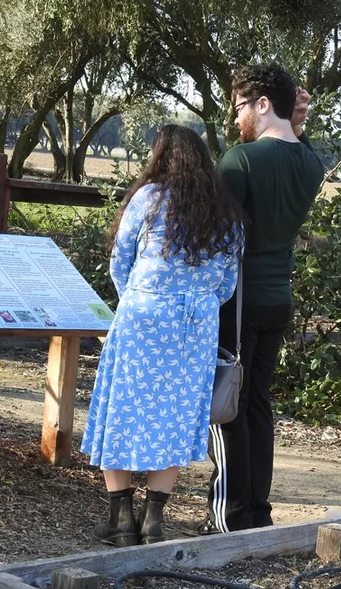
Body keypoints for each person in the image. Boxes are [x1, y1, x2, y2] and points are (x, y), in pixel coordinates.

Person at [81, 124, 244, 547]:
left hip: (143, 316)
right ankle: (153, 522)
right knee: (175, 417)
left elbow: (121, 262)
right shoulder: (226, 213)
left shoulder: (148, 200)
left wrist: (140, 297)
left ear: (160, 157)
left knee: (122, 411)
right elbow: (227, 285)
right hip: (196, 326)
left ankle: (120, 522)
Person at [188, 64, 325, 536]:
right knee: (258, 403)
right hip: (277, 299)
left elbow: (213, 235)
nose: (235, 118)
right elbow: (296, 143)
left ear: (263, 104)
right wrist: (298, 124)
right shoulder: (311, 163)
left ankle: (228, 516)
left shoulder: (239, 162)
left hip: (238, 300)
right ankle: (258, 513)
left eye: (240, 106)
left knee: (227, 404)